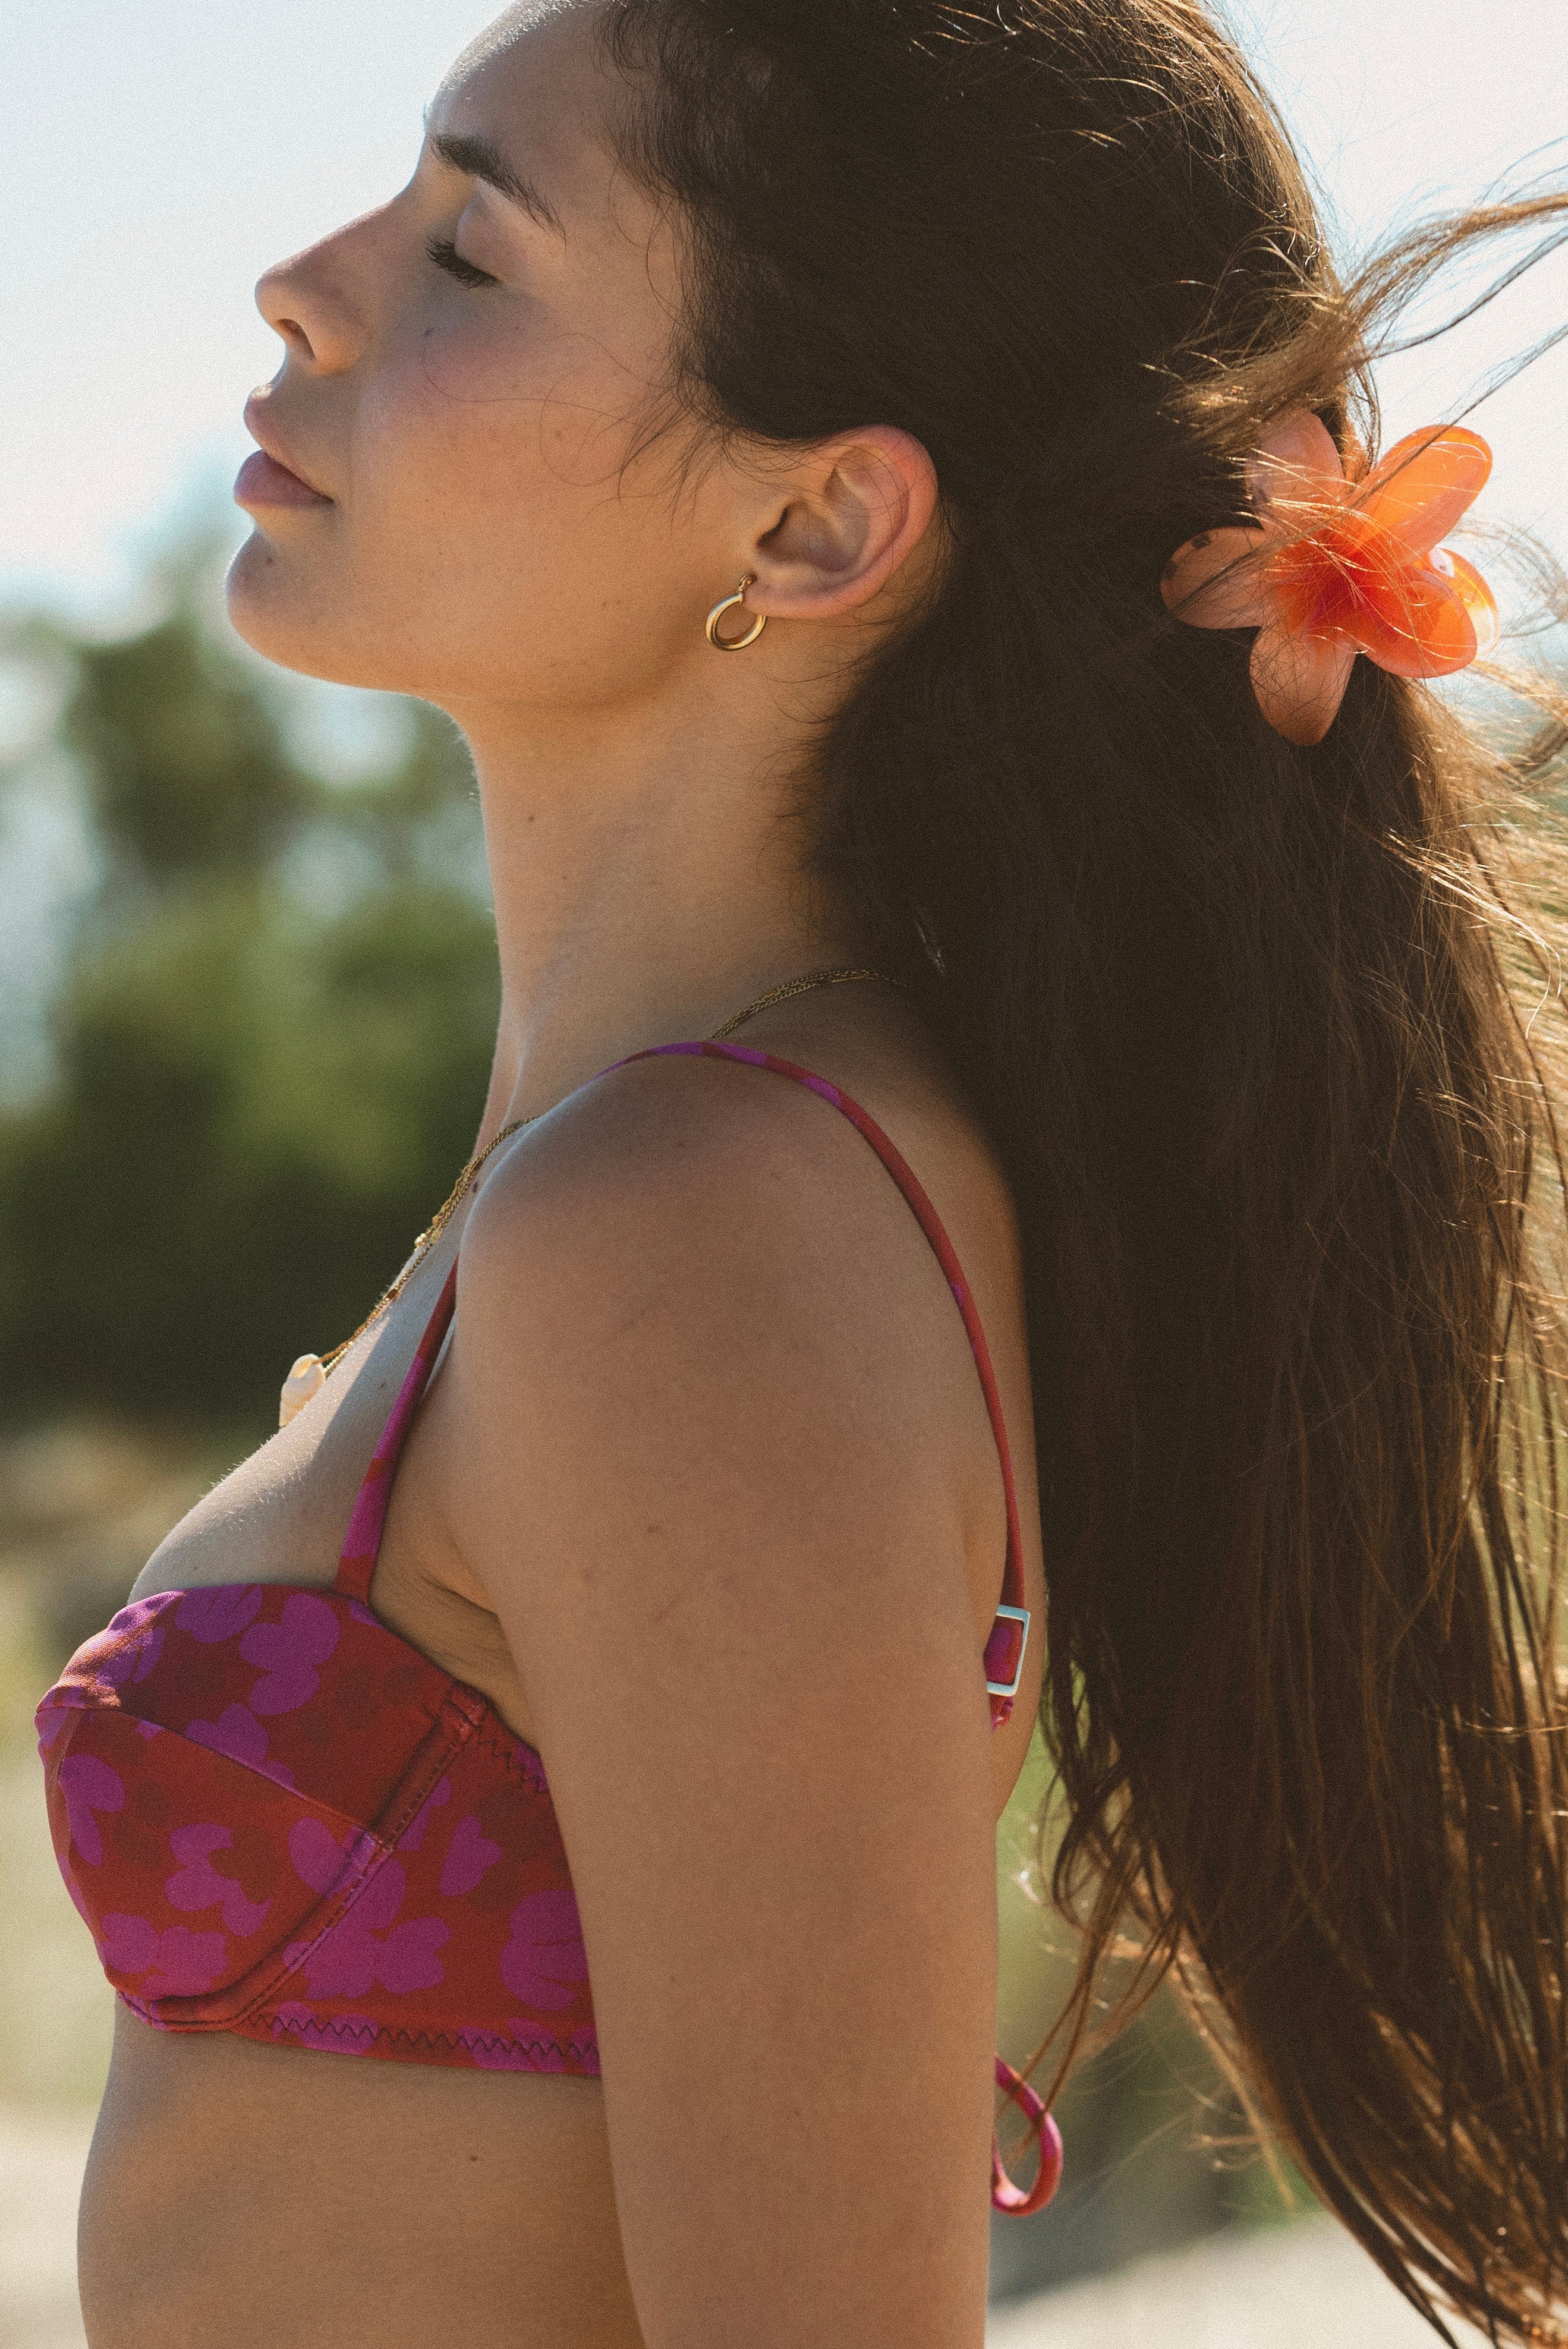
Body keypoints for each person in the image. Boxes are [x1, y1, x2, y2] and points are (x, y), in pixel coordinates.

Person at [34, 2, 1568, 2344]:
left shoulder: (695, 1227)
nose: (299, 281)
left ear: (816, 516)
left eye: (469, 249)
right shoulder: (672, 1161)